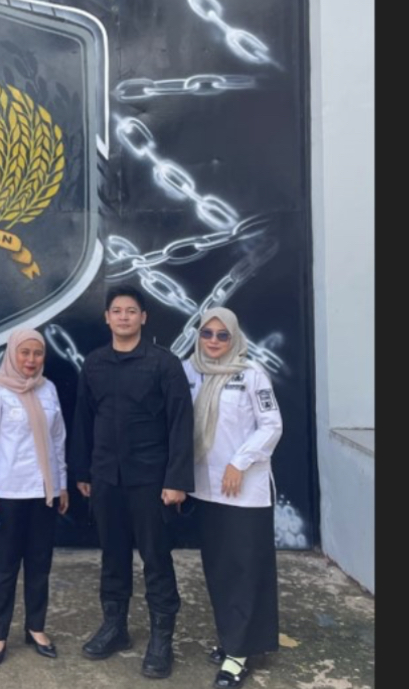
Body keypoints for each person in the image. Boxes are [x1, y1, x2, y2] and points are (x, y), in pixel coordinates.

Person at [70, 285, 194, 679]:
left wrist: (177, 479)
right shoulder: (94, 364)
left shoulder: (164, 364)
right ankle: (115, 628)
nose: (123, 317)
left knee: (156, 559)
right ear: (107, 318)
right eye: (117, 311)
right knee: (113, 556)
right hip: (106, 478)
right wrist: (83, 472)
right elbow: (83, 420)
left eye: (131, 311)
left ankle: (161, 640)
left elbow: (181, 424)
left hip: (150, 480)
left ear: (143, 317)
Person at [182, 307, 283, 689]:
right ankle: (233, 639)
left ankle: (238, 655)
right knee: (220, 568)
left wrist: (239, 463)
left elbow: (271, 425)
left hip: (243, 491)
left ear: (234, 337)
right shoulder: (190, 371)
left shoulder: (251, 373)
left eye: (222, 335)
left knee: (245, 569)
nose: (213, 341)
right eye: (207, 333)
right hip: (206, 488)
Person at [0, 329, 68, 668]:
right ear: (12, 353)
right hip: (5, 495)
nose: (31, 360)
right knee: (4, 568)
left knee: (40, 565)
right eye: (24, 353)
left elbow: (58, 441)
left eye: (37, 354)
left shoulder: (48, 389)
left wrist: (61, 485)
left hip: (43, 493)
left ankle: (35, 627)